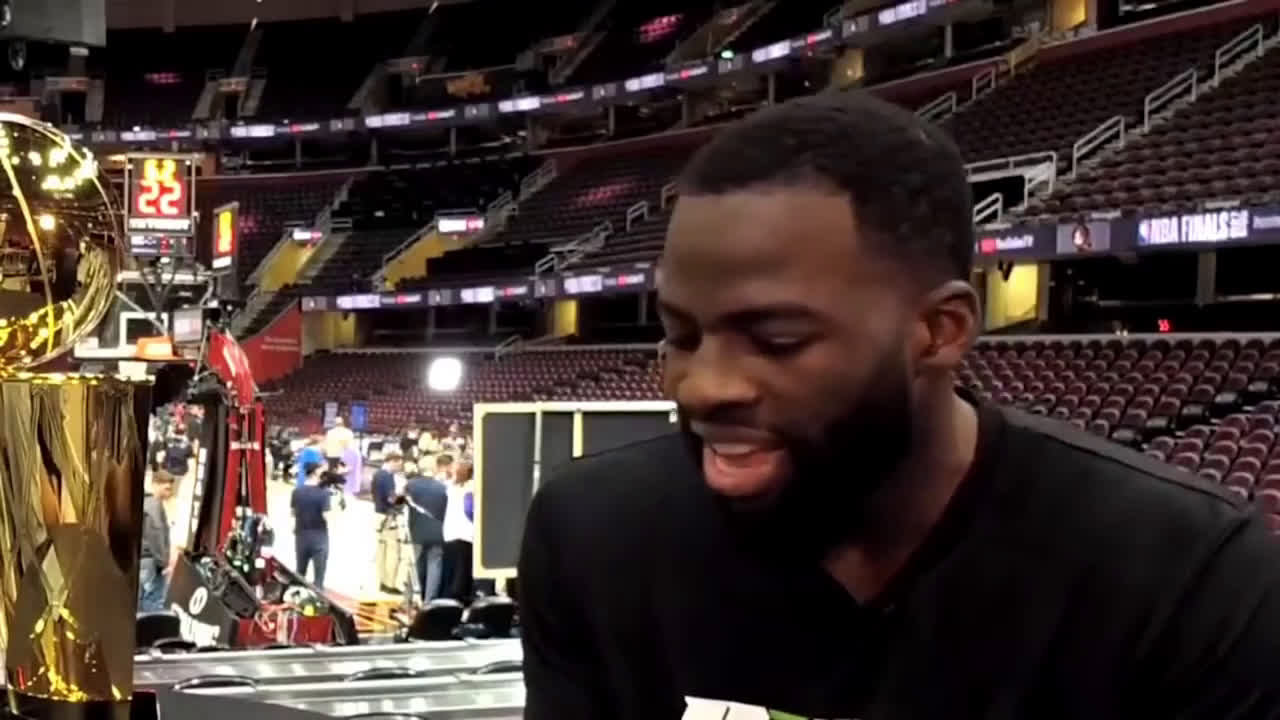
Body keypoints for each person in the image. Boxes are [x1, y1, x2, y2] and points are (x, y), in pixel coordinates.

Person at [517, 91, 1280, 720]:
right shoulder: (593, 538)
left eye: (777, 340)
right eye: (682, 336)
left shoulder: (1192, 586)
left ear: (939, 331)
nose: (705, 386)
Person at [405, 454, 449, 602]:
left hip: (416, 532)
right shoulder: (443, 488)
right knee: (434, 565)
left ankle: (411, 597)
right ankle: (429, 600)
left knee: (414, 565)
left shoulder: (410, 485)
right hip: (437, 532)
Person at [291, 461, 337, 589]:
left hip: (301, 535)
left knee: (300, 572)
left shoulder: (297, 491)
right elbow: (326, 516)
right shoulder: (323, 493)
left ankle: (297, 594)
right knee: (319, 576)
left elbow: (293, 512)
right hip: (319, 536)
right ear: (316, 473)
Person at [138, 471, 176, 612]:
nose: (169, 492)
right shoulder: (154, 506)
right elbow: (157, 534)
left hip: (143, 559)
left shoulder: (144, 503)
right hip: (151, 561)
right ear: (155, 485)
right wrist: (163, 561)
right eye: (166, 488)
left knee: (141, 600)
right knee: (153, 601)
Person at [372, 449, 405, 594]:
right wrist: (403, 498)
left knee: (382, 550)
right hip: (388, 516)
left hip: (379, 514)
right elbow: (391, 498)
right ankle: (389, 583)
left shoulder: (378, 474)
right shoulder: (386, 477)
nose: (399, 467)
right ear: (392, 461)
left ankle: (382, 580)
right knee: (392, 551)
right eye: (398, 464)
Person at [442, 458, 476, 602]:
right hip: (466, 534)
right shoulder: (472, 487)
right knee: (463, 573)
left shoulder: (450, 487)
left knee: (452, 571)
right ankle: (460, 601)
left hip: (449, 533)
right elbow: (469, 509)